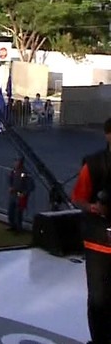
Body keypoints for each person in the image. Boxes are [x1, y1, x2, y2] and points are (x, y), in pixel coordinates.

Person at [73, 117, 111, 344]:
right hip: (99, 243)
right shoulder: (94, 164)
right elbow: (78, 197)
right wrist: (93, 207)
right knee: (99, 298)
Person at [7, 158, 34, 232]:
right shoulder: (13, 171)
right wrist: (10, 187)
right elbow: (10, 179)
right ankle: (12, 225)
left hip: (20, 194)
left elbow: (30, 186)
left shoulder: (25, 173)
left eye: (17, 161)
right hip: (13, 194)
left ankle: (19, 228)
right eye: (15, 161)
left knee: (18, 212)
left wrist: (24, 193)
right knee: (11, 210)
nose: (15, 163)